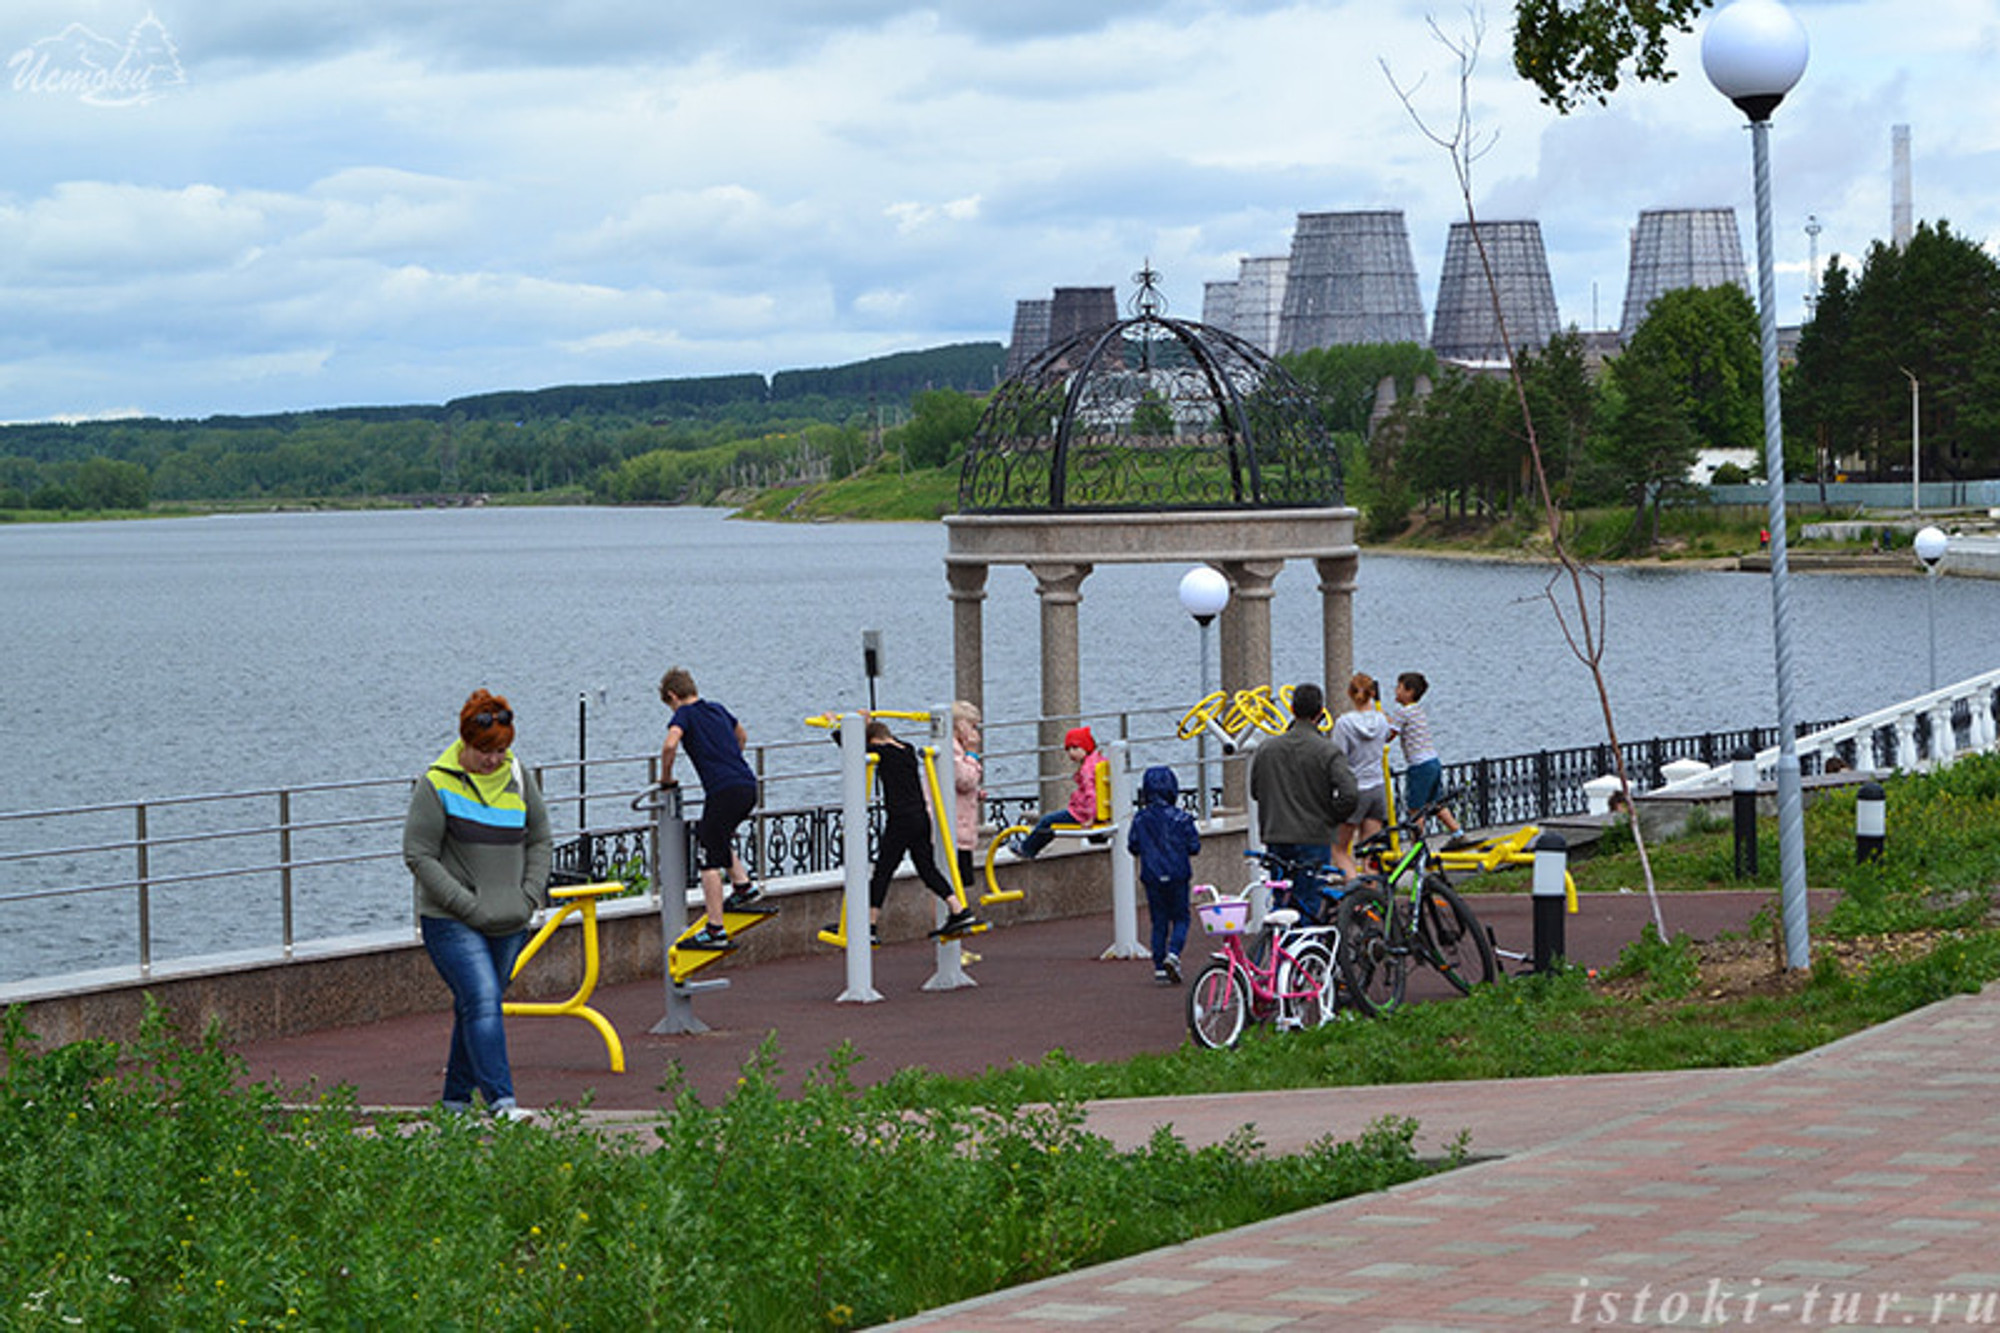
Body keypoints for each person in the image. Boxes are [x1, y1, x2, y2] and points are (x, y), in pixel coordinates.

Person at [403, 688, 550, 1121]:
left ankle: (454, 1104)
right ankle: (502, 1103)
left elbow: (540, 838)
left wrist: (529, 895)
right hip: (450, 919)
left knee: (474, 1005)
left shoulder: (519, 776)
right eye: (486, 751)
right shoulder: (437, 783)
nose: (494, 760)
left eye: (503, 750)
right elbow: (418, 853)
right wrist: (466, 904)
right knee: (484, 999)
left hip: (510, 918)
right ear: (466, 742)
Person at [658, 666, 763, 951]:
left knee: (708, 855)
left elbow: (670, 746)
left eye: (669, 705)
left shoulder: (684, 714)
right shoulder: (717, 709)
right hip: (747, 785)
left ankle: (715, 928)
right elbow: (741, 734)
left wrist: (666, 778)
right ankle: (743, 886)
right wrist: (730, 758)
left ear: (672, 696)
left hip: (723, 791)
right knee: (716, 835)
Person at [862, 717, 980, 942]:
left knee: (883, 872)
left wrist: (845, 724)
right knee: (927, 869)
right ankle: (958, 910)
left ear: (874, 740)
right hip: (920, 818)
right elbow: (886, 740)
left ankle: (870, 926)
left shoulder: (882, 752)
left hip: (900, 820)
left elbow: (846, 742)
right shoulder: (907, 749)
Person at [1247, 682, 1358, 922]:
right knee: (1308, 901)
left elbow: (1256, 791)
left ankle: (1280, 948)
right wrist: (1331, 816)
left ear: (1293, 710)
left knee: (1280, 899)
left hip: (1276, 835)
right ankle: (1304, 953)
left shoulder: (1267, 749)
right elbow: (1350, 794)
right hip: (1313, 837)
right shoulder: (1327, 751)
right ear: (1320, 713)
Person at [1127, 764, 1200, 985]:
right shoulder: (1182, 818)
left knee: (1158, 920)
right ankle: (1174, 954)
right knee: (1181, 918)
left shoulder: (1140, 819)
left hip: (1152, 875)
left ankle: (1159, 966)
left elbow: (1133, 846)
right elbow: (1194, 847)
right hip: (1178, 874)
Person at [1006, 725, 1105, 858]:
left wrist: (1091, 818)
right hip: (1091, 812)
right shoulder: (1098, 763)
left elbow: (1091, 794)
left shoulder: (1087, 770)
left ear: (1087, 748)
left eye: (1075, 748)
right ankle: (1098, 838)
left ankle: (1026, 849)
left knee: (1047, 822)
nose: (1071, 753)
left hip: (1081, 813)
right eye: (1068, 749)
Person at [1329, 672, 1392, 877]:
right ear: (1373, 694)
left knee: (1338, 849)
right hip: (1377, 788)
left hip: (1355, 790)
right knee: (1370, 854)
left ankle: (1353, 891)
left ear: (1349, 693)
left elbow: (1339, 758)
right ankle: (1371, 899)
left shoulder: (1344, 724)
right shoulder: (1383, 721)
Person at [1387, 671, 1462, 838]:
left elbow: (1389, 735)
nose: (1395, 691)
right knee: (1435, 804)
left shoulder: (1403, 712)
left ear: (1409, 691)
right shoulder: (1417, 710)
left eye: (1398, 687)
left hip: (1419, 766)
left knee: (1416, 809)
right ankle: (1458, 833)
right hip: (1433, 761)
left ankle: (1417, 846)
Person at [950, 700, 986, 894]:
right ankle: (956, 915)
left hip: (959, 824)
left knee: (960, 879)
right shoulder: (953, 750)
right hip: (955, 827)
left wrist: (975, 794)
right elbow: (964, 780)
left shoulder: (955, 749)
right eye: (973, 726)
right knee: (956, 880)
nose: (976, 732)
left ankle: (958, 914)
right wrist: (972, 754)